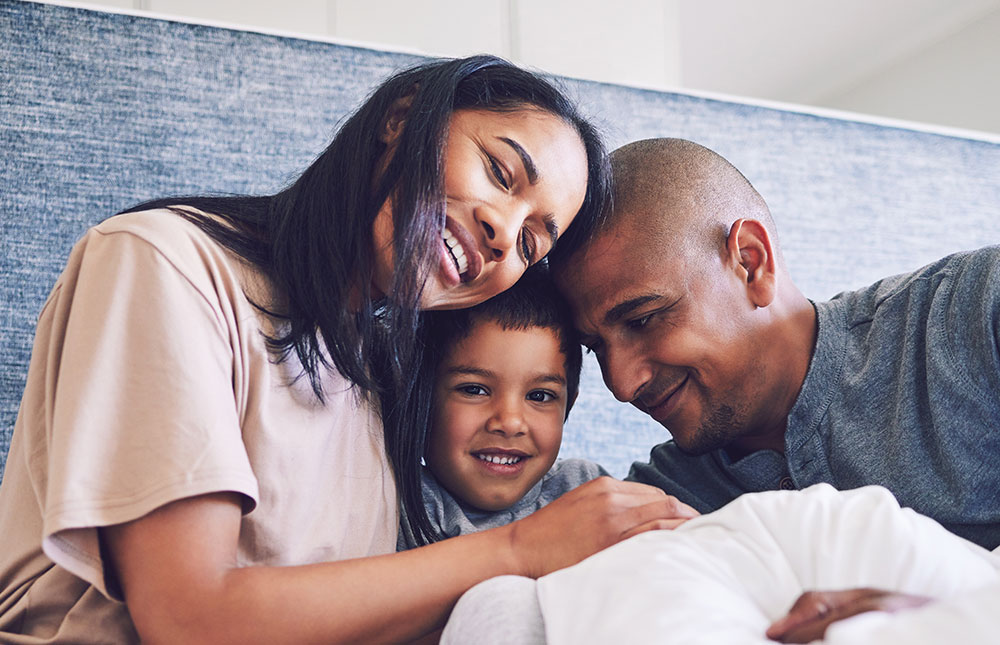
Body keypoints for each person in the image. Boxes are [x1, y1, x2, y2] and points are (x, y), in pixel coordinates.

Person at [0, 57, 696, 644]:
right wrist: (522, 548)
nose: (500, 231)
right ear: (403, 116)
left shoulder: (378, 372)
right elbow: (190, 618)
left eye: (530, 242)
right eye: (499, 171)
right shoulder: (165, 263)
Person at [547, 136, 1000, 639]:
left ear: (751, 261)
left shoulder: (973, 312)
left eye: (643, 319)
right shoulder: (663, 500)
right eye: (596, 348)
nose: (621, 383)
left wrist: (953, 610)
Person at [397, 268, 611, 551]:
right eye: (474, 390)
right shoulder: (404, 509)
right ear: (419, 399)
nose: (510, 422)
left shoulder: (583, 489)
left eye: (539, 396)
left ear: (568, 407)